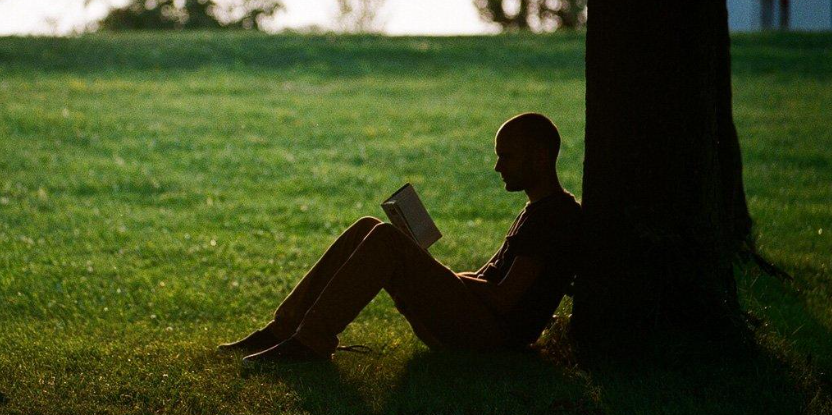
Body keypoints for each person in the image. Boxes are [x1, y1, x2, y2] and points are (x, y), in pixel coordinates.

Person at [218, 112, 582, 363]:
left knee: (386, 240)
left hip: (491, 339)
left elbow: (504, 299)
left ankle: (310, 341)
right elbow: (490, 281)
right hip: (478, 325)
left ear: (538, 157)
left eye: (507, 157)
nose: (497, 167)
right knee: (367, 227)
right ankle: (282, 330)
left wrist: (441, 276)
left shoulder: (554, 217)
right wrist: (435, 272)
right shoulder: (538, 209)